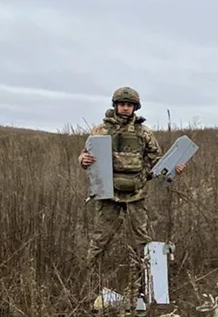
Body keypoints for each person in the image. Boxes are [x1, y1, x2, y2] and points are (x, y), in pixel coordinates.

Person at [78, 86, 186, 272]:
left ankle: (148, 278)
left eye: (129, 105)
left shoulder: (143, 132)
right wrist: (83, 160)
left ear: (135, 107)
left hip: (136, 192)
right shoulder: (101, 130)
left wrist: (175, 168)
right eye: (122, 104)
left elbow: (158, 162)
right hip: (108, 193)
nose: (126, 108)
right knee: (100, 238)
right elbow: (85, 155)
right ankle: (89, 277)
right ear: (116, 105)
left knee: (142, 239)